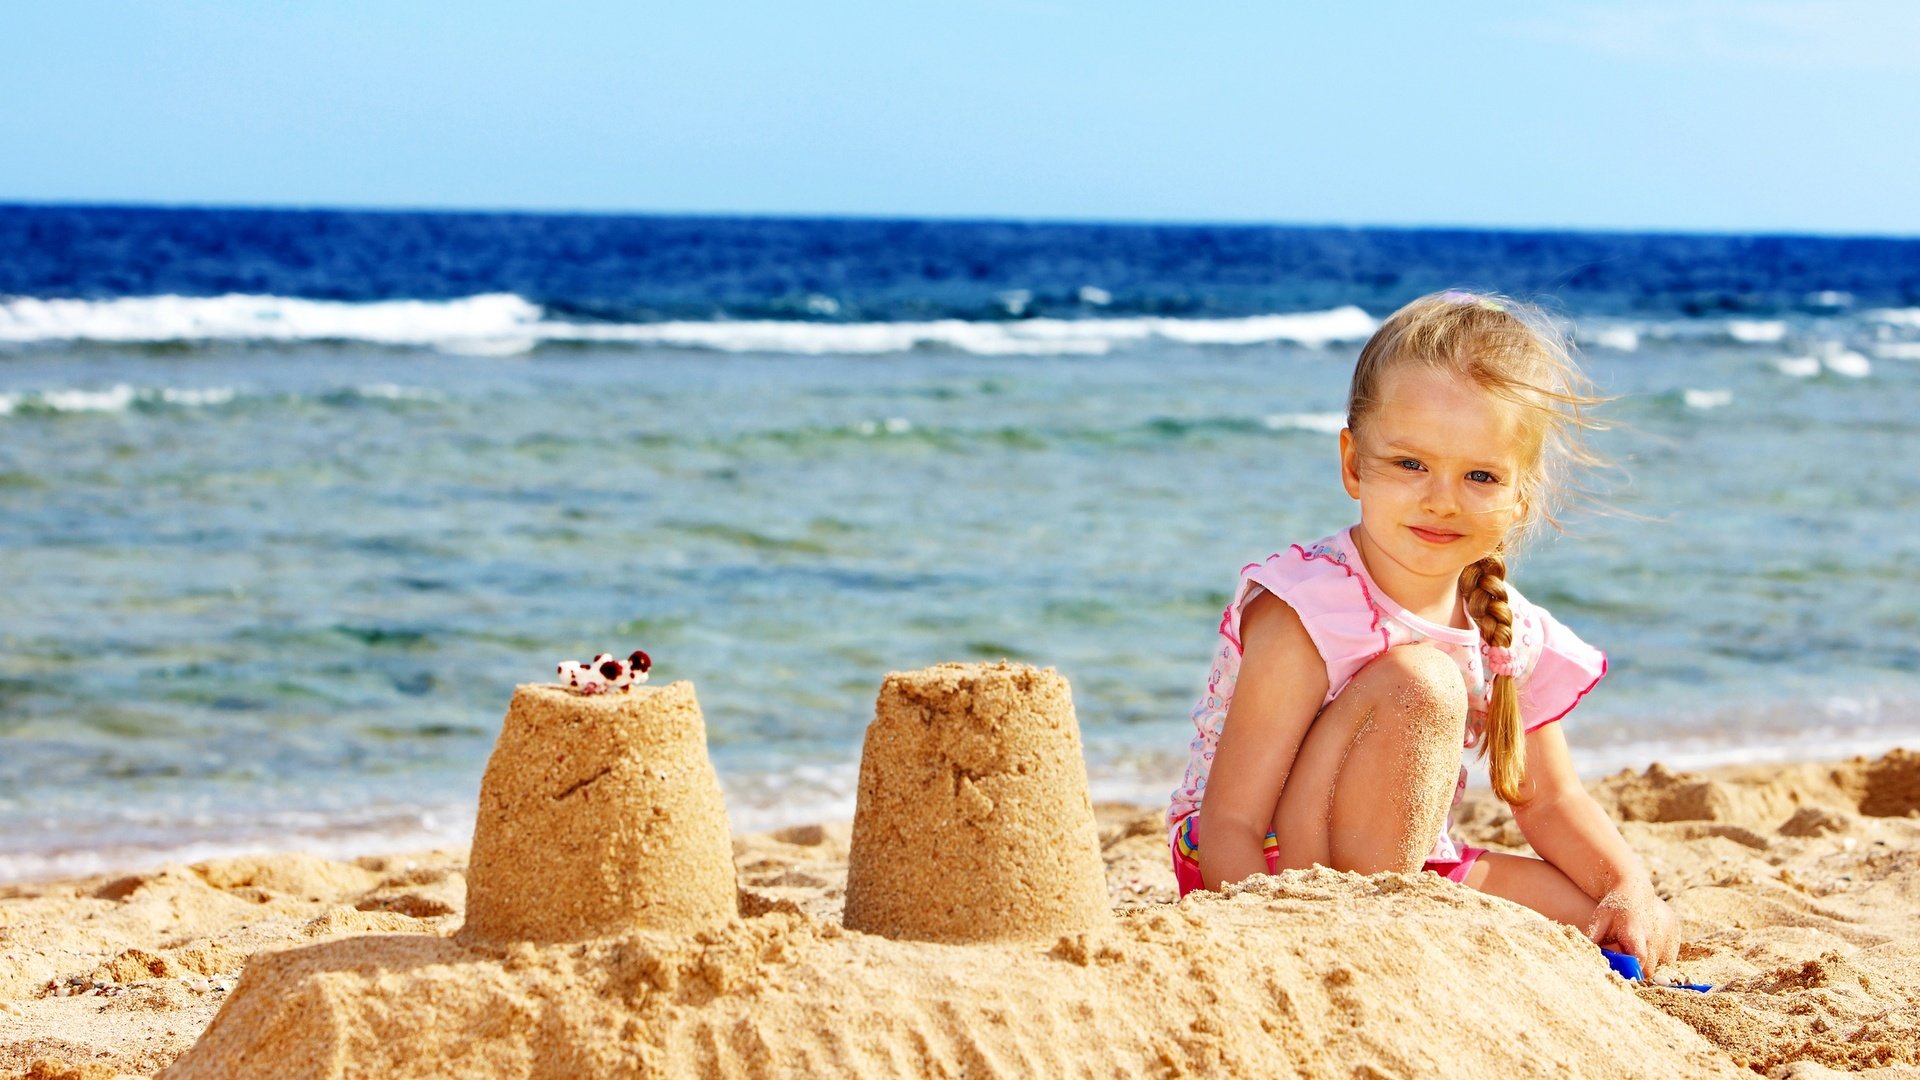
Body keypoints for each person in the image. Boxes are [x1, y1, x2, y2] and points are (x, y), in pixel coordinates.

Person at [1166, 289, 1680, 972]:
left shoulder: (1504, 627)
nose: (1442, 498)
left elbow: (1550, 797)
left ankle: (1399, 916)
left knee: (1610, 922)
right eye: (1411, 464)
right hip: (1265, 866)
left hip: (1404, 862)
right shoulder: (1308, 607)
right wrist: (1261, 948)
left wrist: (1629, 886)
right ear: (1352, 463)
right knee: (1422, 682)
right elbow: (1230, 819)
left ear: (1521, 493)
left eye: (1480, 474)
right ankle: (1368, 936)